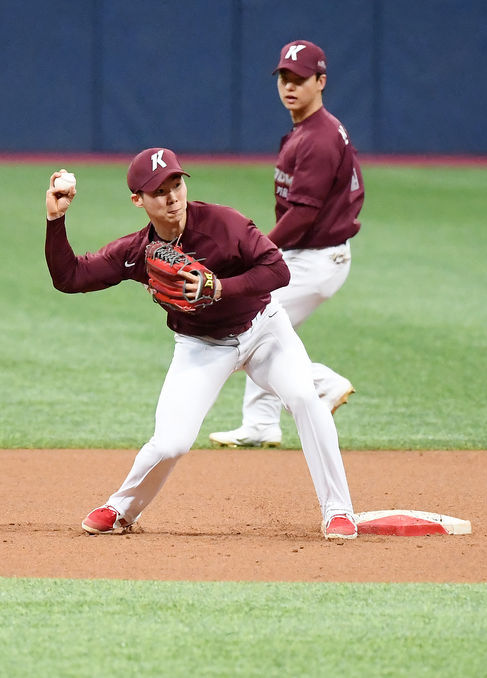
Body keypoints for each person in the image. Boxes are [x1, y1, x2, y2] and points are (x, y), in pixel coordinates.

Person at [44, 147, 358, 540]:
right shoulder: (135, 252)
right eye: (159, 191)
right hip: (201, 346)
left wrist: (220, 286)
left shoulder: (223, 224)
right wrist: (56, 219)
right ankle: (121, 509)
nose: (172, 197)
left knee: (303, 397)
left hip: (264, 330)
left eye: (176, 184)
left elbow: (277, 270)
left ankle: (338, 510)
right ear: (138, 200)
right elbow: (69, 277)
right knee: (171, 442)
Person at [210, 39, 364, 448]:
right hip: (311, 254)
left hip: (316, 259)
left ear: (321, 81)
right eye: (283, 77)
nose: (289, 86)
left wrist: (257, 248)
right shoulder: (310, 130)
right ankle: (261, 423)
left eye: (299, 78)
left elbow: (303, 214)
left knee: (248, 323)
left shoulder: (318, 138)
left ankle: (324, 384)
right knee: (267, 324)